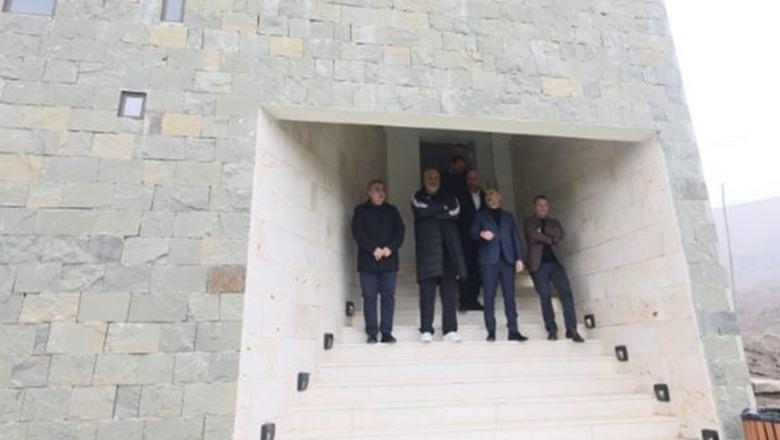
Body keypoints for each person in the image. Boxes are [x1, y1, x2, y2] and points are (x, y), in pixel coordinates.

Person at [411, 168, 467, 343]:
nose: (433, 180)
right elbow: (422, 211)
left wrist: (433, 211)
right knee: (427, 294)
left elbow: (456, 212)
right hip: (428, 252)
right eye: (429, 177)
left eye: (436, 177)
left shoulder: (450, 196)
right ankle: (426, 329)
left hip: (449, 253)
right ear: (423, 179)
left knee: (449, 294)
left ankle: (450, 330)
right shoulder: (418, 196)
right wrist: (442, 209)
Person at [523, 195, 585, 343]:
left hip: (556, 263)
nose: (542, 208)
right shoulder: (529, 221)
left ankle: (571, 329)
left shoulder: (554, 222)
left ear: (548, 207)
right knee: (545, 296)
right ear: (534, 206)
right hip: (538, 265)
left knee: (566, 293)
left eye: (545, 205)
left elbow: (560, 233)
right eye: (539, 205)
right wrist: (550, 239)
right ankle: (551, 330)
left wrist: (543, 231)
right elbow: (533, 234)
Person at [470, 188, 528, 342]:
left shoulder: (508, 216)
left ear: (499, 197)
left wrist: (519, 258)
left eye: (492, 194)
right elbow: (472, 233)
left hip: (507, 261)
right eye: (487, 195)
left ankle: (513, 331)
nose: (489, 197)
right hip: (488, 261)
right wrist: (481, 234)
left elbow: (515, 237)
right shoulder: (480, 215)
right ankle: (491, 331)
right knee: (489, 296)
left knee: (510, 297)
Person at [351, 179, 405, 344]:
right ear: (369, 192)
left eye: (382, 189)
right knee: (369, 297)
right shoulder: (360, 210)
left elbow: (400, 231)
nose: (380, 192)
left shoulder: (392, 210)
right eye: (376, 189)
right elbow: (357, 232)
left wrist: (390, 248)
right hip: (368, 261)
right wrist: (373, 249)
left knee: (388, 297)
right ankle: (372, 333)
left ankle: (387, 333)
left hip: (389, 260)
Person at [457, 169, 485, 311]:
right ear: (466, 180)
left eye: (475, 178)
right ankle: (464, 301)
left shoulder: (484, 195)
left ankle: (473, 300)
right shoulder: (460, 195)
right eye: (470, 179)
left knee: (478, 271)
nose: (473, 181)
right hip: (465, 239)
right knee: (465, 270)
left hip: (482, 241)